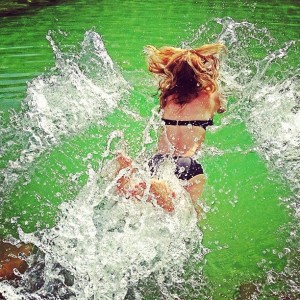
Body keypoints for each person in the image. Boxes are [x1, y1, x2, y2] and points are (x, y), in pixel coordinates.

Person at [115, 43, 227, 217]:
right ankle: (162, 190)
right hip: (186, 163)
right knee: (188, 213)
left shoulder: (168, 97)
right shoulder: (209, 95)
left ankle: (127, 178)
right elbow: (221, 108)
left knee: (139, 203)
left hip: (157, 160)